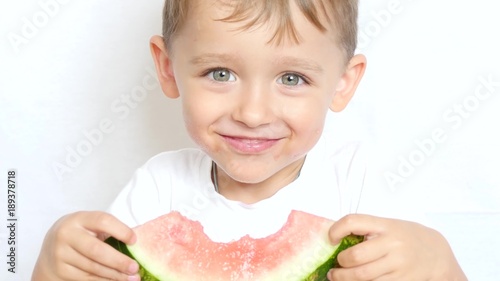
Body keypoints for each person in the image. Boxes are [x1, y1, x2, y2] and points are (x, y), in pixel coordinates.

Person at [32, 0, 467, 280]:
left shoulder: (356, 184)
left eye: (292, 78)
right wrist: (51, 266)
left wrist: (441, 265)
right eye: (220, 74)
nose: (252, 114)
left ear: (342, 83)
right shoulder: (156, 187)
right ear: (167, 68)